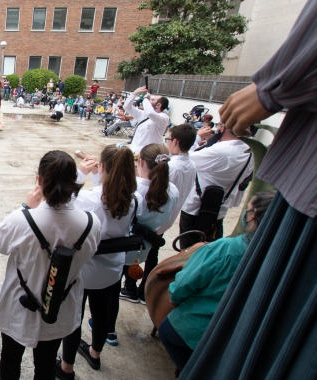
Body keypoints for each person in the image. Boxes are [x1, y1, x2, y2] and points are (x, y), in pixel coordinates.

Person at [182, 2, 317, 377]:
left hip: (199, 206)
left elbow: (192, 162)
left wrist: (200, 141)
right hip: (223, 208)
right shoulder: (246, 153)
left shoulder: (213, 152)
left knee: (195, 243)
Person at [0, 151, 101, 380]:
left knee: (10, 363)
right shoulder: (91, 222)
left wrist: (25, 207)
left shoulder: (22, 220)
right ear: (75, 182)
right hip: (59, 310)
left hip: (20, 308)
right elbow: (89, 253)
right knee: (46, 366)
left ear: (39, 180)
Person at [161, 190, 275, 372]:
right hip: (243, 333)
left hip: (200, 326)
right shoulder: (280, 255)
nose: (246, 212)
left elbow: (186, 281)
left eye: (249, 209)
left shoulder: (225, 249)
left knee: (166, 332)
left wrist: (175, 296)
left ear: (255, 217)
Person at [57, 143, 139, 380]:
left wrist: (81, 173)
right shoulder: (131, 200)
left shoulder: (89, 199)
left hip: (85, 270)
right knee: (101, 313)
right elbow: (107, 197)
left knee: (75, 317)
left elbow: (64, 202)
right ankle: (95, 353)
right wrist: (98, 176)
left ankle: (66, 367)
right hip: (112, 269)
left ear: (102, 166)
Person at [122, 124, 198, 303]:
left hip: (148, 223)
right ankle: (143, 291)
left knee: (136, 256)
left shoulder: (147, 186)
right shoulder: (189, 165)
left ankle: (133, 289)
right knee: (149, 255)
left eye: (168, 138)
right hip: (164, 220)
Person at [112, 144, 179, 337]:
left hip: (123, 244)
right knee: (133, 268)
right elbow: (169, 219)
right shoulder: (172, 190)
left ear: (140, 162)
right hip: (146, 244)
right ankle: (132, 289)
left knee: (112, 287)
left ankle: (109, 329)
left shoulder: (132, 189)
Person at [178, 122, 252, 247]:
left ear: (222, 128)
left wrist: (197, 137)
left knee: (188, 252)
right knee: (210, 247)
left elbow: (185, 159)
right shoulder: (249, 151)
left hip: (195, 209)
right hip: (219, 210)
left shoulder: (219, 151)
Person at [123, 87, 170, 154]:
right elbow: (127, 107)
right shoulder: (143, 114)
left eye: (152, 100)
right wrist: (135, 93)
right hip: (135, 152)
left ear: (159, 105)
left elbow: (150, 113)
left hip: (150, 155)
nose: (150, 101)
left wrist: (146, 99)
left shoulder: (164, 118)